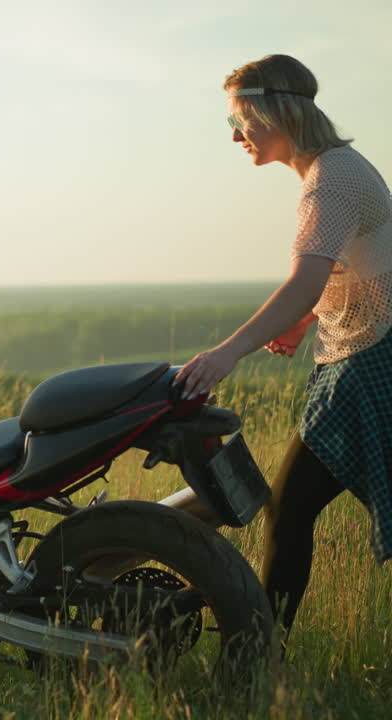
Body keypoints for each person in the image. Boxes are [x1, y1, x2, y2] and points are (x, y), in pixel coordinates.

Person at [175, 55, 392, 639]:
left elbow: (304, 282)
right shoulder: (334, 170)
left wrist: (227, 353)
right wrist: (304, 321)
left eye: (240, 119)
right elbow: (357, 269)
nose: (235, 135)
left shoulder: (332, 179)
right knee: (290, 507)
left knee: (289, 507)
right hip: (360, 355)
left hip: (369, 364)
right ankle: (261, 658)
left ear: (277, 111)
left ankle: (257, 663)